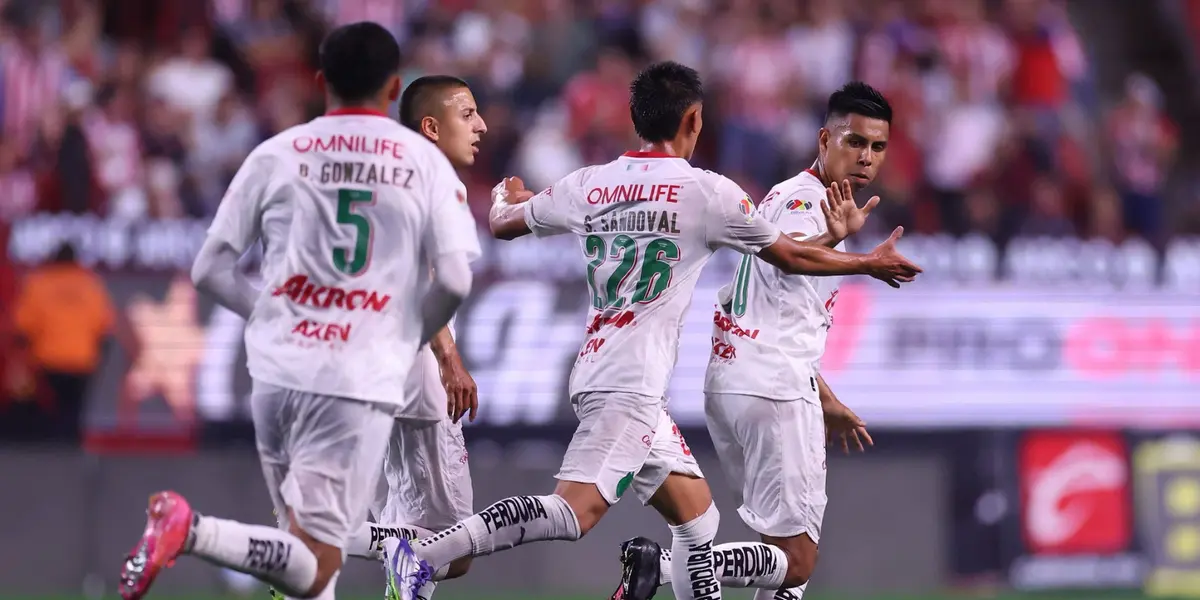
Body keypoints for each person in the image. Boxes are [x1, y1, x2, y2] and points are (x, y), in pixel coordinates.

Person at [387, 62, 921, 600]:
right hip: (632, 384)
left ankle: (653, 572)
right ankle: (422, 556)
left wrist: (508, 192)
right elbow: (787, 255)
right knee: (573, 512)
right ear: (693, 121)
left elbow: (503, 222)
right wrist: (865, 261)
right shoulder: (709, 193)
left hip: (604, 365)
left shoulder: (591, 183)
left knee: (699, 524)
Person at [116, 22, 481, 600]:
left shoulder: (275, 153)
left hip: (285, 370)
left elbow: (208, 269)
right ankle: (193, 529)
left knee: (311, 563)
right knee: (345, 553)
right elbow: (453, 277)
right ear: (393, 89)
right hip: (363, 368)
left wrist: (273, 317)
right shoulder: (420, 163)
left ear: (320, 81)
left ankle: (199, 532)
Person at [609, 81, 895, 600]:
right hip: (773, 389)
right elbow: (790, 252)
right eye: (854, 142)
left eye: (877, 147)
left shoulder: (795, 196)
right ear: (824, 138)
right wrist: (846, 247)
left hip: (739, 379)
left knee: (778, 551)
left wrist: (826, 398)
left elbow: (781, 305)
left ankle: (674, 564)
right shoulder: (810, 201)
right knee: (797, 560)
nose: (866, 157)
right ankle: (667, 560)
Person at [335, 75, 487, 600]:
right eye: (467, 114)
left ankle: (312, 533)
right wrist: (449, 357)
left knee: (404, 537)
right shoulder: (434, 180)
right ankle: (308, 537)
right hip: (412, 358)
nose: (481, 125)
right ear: (431, 126)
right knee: (454, 547)